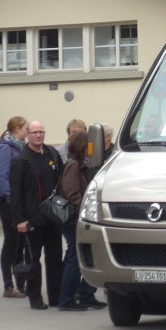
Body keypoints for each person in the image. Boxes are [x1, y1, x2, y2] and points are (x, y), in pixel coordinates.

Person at [9, 120, 63, 310]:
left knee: (55, 258)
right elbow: (15, 194)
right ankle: (35, 298)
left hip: (53, 217)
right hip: (32, 219)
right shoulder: (21, 161)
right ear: (28, 135)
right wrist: (20, 220)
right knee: (33, 260)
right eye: (35, 132)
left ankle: (56, 296)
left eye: (41, 132)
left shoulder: (52, 154)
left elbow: (61, 183)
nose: (38, 135)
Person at [57, 130, 105, 311]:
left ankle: (86, 295)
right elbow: (71, 193)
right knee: (74, 258)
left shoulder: (82, 165)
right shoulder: (74, 165)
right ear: (82, 147)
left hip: (79, 217)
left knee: (85, 256)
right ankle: (67, 299)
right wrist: (83, 211)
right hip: (74, 219)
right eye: (88, 146)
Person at [0, 115, 28, 298]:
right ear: (16, 129)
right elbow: (1, 177)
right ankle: (9, 284)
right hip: (8, 204)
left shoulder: (21, 147)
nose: (28, 131)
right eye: (25, 128)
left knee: (20, 243)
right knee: (11, 242)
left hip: (18, 202)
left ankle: (20, 283)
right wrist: (11, 200)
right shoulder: (5, 148)